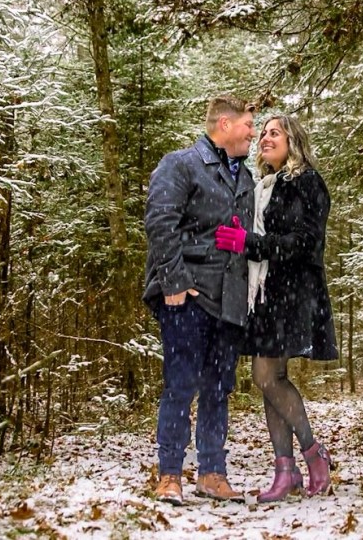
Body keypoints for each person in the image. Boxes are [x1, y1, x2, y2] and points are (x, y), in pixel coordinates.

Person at [214, 113, 337, 502]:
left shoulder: (308, 181)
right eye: (263, 133)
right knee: (269, 379)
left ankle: (313, 454)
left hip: (294, 292)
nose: (265, 138)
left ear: (292, 140)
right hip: (266, 294)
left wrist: (249, 244)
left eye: (274, 133)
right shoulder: (266, 185)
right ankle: (286, 472)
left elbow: (305, 242)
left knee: (266, 375)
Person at [143, 94, 257, 505]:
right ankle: (170, 475)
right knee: (180, 385)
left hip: (229, 301)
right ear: (225, 125)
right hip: (187, 297)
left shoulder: (245, 178)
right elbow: (160, 221)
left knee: (218, 388)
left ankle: (212, 474)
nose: (253, 133)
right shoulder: (181, 164)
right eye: (248, 125)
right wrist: (174, 281)